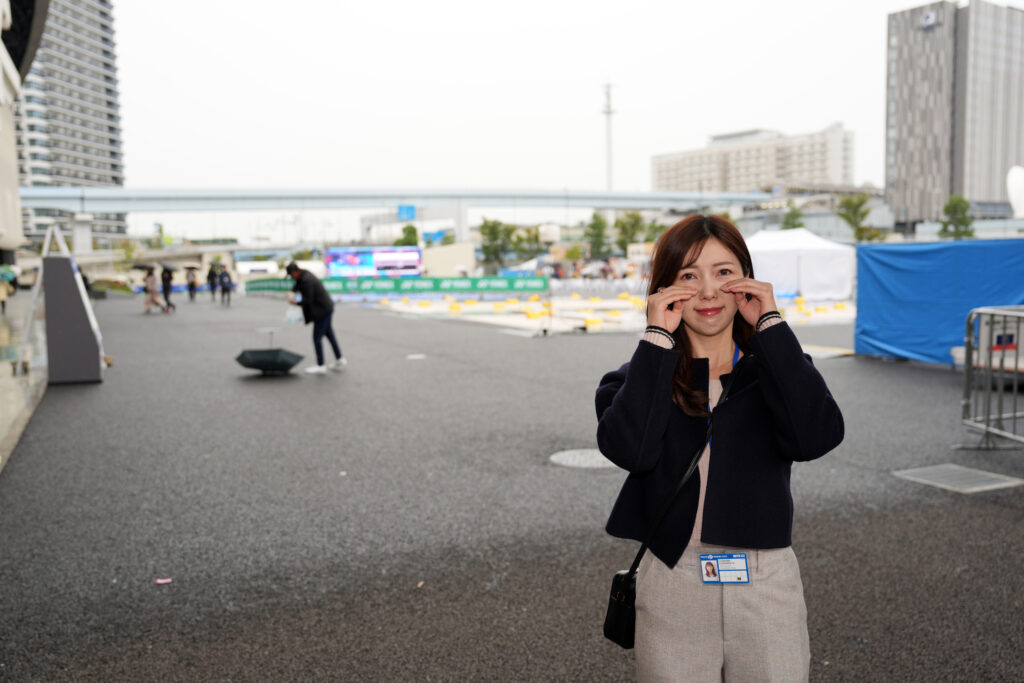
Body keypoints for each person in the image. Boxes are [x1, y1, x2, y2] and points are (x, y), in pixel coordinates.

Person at [595, 214, 844, 681]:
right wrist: (656, 340)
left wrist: (770, 325)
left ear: (746, 280)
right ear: (664, 289)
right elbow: (632, 450)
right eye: (689, 275)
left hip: (765, 578)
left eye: (724, 272)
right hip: (673, 580)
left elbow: (817, 436)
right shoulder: (636, 380)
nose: (708, 291)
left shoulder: (776, 371)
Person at [285, 262, 345, 374]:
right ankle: (340, 359)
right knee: (329, 335)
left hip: (322, 311)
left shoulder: (307, 280)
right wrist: (291, 292)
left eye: (291, 275)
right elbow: (297, 285)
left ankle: (321, 365)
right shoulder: (303, 276)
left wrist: (295, 303)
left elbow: (308, 300)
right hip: (325, 308)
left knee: (317, 338)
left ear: (295, 272)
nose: (292, 277)